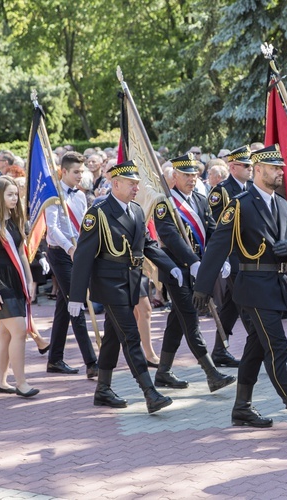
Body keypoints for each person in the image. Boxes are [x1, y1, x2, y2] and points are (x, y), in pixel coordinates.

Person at [193, 145, 287, 436]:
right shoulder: (240, 204)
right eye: (275, 168)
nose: (280, 172)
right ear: (258, 169)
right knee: (276, 347)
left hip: (275, 287)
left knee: (255, 349)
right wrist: (202, 287)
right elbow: (218, 246)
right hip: (252, 287)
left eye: (281, 168)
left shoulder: (281, 204)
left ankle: (242, 406)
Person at [68, 160, 184, 414]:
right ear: (116, 184)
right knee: (131, 336)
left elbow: (148, 245)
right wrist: (76, 295)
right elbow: (84, 256)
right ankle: (149, 392)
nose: (136, 188)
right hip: (108, 283)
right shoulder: (98, 212)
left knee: (112, 337)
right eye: (132, 184)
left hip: (129, 281)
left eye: (137, 184)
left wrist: (170, 265)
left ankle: (103, 389)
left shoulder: (137, 210)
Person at [152, 153, 236, 392]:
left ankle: (164, 372)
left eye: (194, 174)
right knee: (190, 318)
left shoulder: (201, 199)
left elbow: (212, 230)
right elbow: (170, 236)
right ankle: (211, 374)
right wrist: (192, 262)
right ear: (175, 176)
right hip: (177, 270)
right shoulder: (165, 203)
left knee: (177, 321)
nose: (191, 178)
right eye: (186, 175)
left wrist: (220, 258)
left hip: (199, 267)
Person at [0, 176, 39, 397]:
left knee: (5, 333)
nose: (15, 198)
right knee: (19, 330)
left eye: (16, 194)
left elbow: (22, 253)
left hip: (16, 280)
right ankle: (21, 383)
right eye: (10, 194)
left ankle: (1, 381)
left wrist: (30, 279)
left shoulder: (14, 220)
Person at [45, 152, 99, 378]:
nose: (80, 175)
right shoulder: (53, 194)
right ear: (64, 171)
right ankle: (92, 362)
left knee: (64, 306)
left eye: (82, 171)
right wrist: (70, 248)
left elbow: (84, 224)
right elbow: (52, 228)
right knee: (76, 302)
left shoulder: (79, 196)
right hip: (60, 253)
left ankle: (55, 358)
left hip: (77, 253)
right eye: (76, 171)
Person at [206, 145, 254, 367]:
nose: (250, 169)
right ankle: (260, 346)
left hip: (250, 253)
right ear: (233, 167)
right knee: (246, 303)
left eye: (251, 165)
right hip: (233, 256)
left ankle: (219, 351)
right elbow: (219, 228)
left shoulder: (252, 187)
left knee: (231, 306)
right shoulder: (221, 192)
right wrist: (224, 257)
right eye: (246, 166)